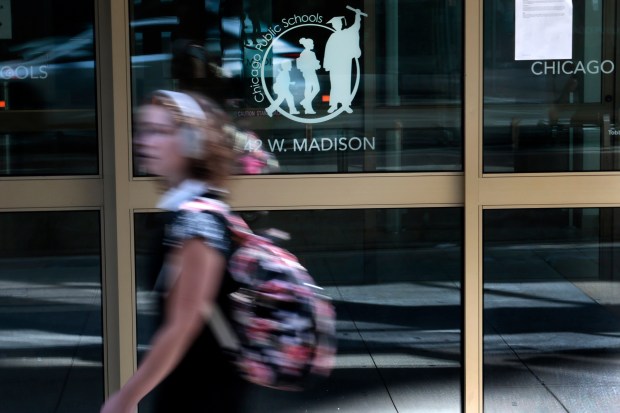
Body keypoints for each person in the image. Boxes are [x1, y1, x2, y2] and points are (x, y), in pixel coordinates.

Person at [100, 89, 247, 413]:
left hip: (203, 392)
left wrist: (127, 398)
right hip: (195, 385)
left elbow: (183, 323)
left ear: (191, 142)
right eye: (144, 130)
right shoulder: (189, 210)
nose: (144, 140)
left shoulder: (196, 221)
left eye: (159, 131)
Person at [323, 9, 365, 114]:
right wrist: (327, 64)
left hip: (345, 63)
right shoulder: (332, 37)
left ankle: (345, 105)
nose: (336, 25)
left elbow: (356, 27)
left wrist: (357, 16)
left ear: (342, 24)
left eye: (338, 23)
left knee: (345, 84)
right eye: (335, 24)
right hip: (335, 64)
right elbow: (328, 52)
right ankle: (334, 105)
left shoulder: (347, 33)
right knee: (335, 84)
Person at [296, 37, 321, 114]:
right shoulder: (304, 54)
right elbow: (305, 65)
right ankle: (307, 106)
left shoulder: (311, 53)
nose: (313, 45)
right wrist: (315, 65)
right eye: (312, 43)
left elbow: (314, 64)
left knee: (312, 89)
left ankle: (306, 103)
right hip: (308, 73)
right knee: (311, 89)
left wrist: (317, 65)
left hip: (311, 72)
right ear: (308, 45)